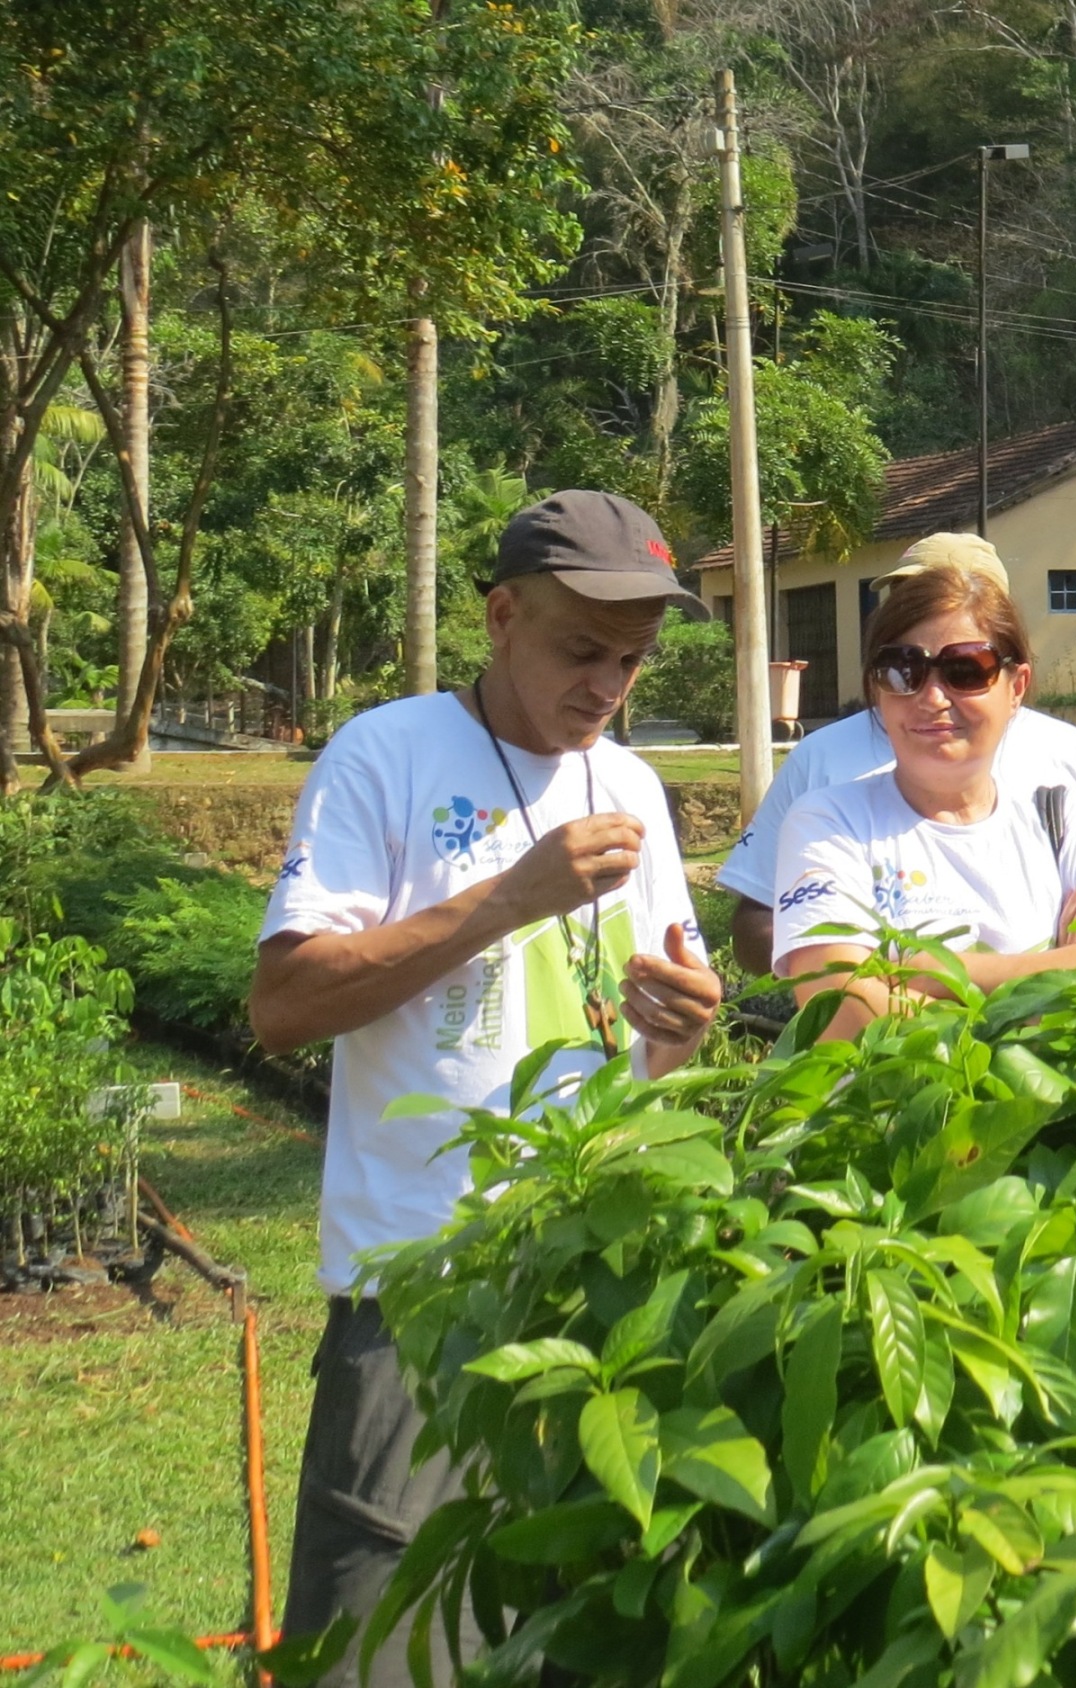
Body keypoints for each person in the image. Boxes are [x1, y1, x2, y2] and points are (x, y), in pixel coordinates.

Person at [249, 491, 725, 1685]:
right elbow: (286, 1003)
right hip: (421, 1299)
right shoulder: (387, 753)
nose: (608, 683)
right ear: (502, 615)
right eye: (581, 648)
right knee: (374, 1646)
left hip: (595, 1292)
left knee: (573, 1643)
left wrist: (682, 1024)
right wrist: (508, 898)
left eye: (632, 658)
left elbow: (649, 1045)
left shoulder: (634, 790)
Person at [722, 531, 1076, 976]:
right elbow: (780, 935)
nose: (934, 697)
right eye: (903, 664)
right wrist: (1056, 968)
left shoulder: (1067, 762)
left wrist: (883, 966)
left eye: (966, 667)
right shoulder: (822, 768)